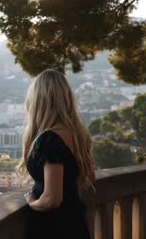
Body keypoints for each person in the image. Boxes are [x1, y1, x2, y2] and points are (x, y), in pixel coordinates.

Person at [17, 69, 95, 239]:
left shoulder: (50, 140)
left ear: (38, 100)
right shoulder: (76, 134)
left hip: (54, 228)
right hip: (74, 223)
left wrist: (31, 202)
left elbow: (52, 199)